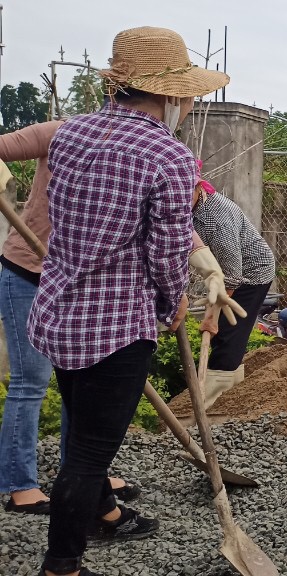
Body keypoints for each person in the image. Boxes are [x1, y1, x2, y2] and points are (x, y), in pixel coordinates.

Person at [24, 26, 230, 576]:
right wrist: (171, 305)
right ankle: (61, 563)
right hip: (116, 324)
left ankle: (105, 514)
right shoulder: (168, 157)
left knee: (82, 433)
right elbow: (166, 254)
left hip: (60, 312)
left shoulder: (71, 135)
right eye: (185, 96)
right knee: (89, 453)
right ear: (170, 95)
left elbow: (64, 219)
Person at [0, 122, 152, 517]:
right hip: (29, 270)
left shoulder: (137, 149)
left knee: (81, 380)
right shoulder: (58, 132)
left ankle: (83, 474)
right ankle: (19, 485)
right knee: (30, 382)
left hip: (77, 282)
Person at [191, 166, 277, 407]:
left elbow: (231, 276)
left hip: (251, 275)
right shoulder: (190, 209)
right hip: (229, 273)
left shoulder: (216, 218)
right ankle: (229, 395)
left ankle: (215, 403)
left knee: (228, 339)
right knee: (226, 337)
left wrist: (211, 316)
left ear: (199, 187)